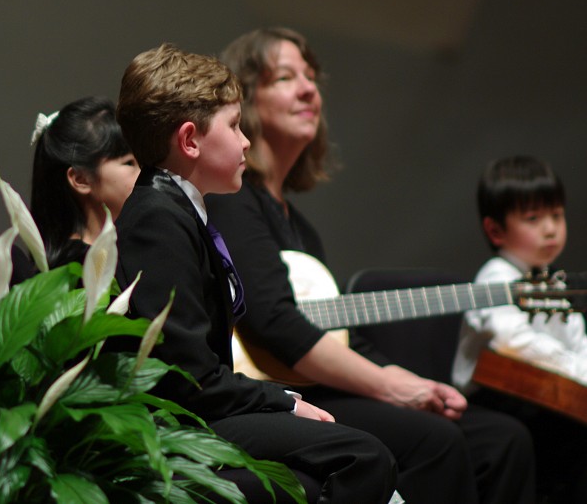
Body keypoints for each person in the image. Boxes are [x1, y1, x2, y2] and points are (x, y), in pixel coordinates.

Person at [206, 27, 534, 504]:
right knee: (433, 442)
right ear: (246, 100)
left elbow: (339, 332)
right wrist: (391, 386)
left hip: (320, 381)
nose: (308, 88)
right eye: (285, 77)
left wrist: (413, 382)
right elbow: (275, 322)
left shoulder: (298, 226)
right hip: (280, 393)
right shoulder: (236, 203)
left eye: (312, 77)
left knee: (503, 439)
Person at [113, 43, 397, 504]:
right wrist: (282, 401)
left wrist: (279, 402)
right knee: (360, 455)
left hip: (206, 412)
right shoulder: (157, 218)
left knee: (347, 452)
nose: (246, 141)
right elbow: (188, 376)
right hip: (184, 423)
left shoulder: (176, 208)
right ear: (190, 141)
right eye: (234, 126)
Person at [453, 155, 587, 503]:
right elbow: (510, 340)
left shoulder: (554, 281)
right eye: (533, 218)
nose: (550, 228)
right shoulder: (496, 276)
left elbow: (578, 338)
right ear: (495, 230)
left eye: (556, 215)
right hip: (496, 399)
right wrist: (574, 371)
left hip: (552, 393)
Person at [28, 96, 140, 269]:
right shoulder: (73, 270)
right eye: (129, 162)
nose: (144, 172)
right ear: (80, 179)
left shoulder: (131, 246)